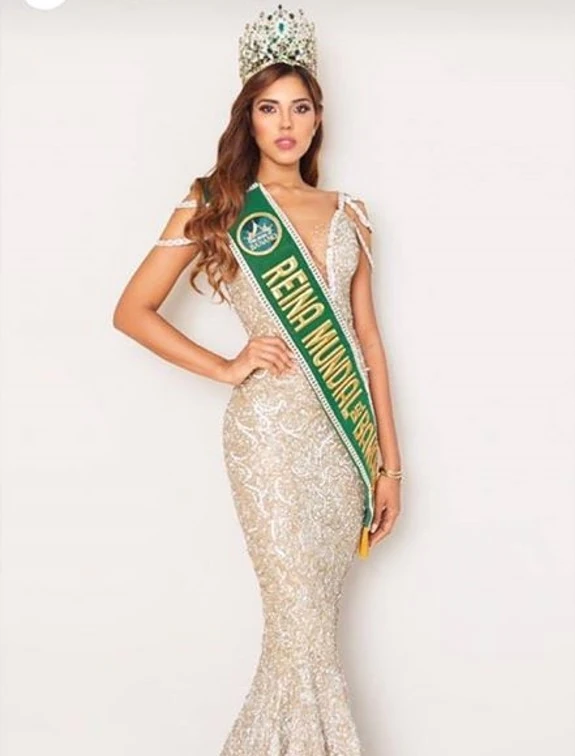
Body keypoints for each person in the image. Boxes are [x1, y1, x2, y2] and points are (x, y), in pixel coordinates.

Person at [113, 4, 402, 753]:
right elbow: (132, 311)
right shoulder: (219, 203)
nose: (285, 123)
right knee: (296, 625)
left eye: (299, 107)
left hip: (342, 445)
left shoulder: (353, 213)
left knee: (311, 630)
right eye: (269, 108)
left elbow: (369, 343)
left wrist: (390, 466)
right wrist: (226, 365)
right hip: (268, 436)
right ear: (248, 116)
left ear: (318, 117)